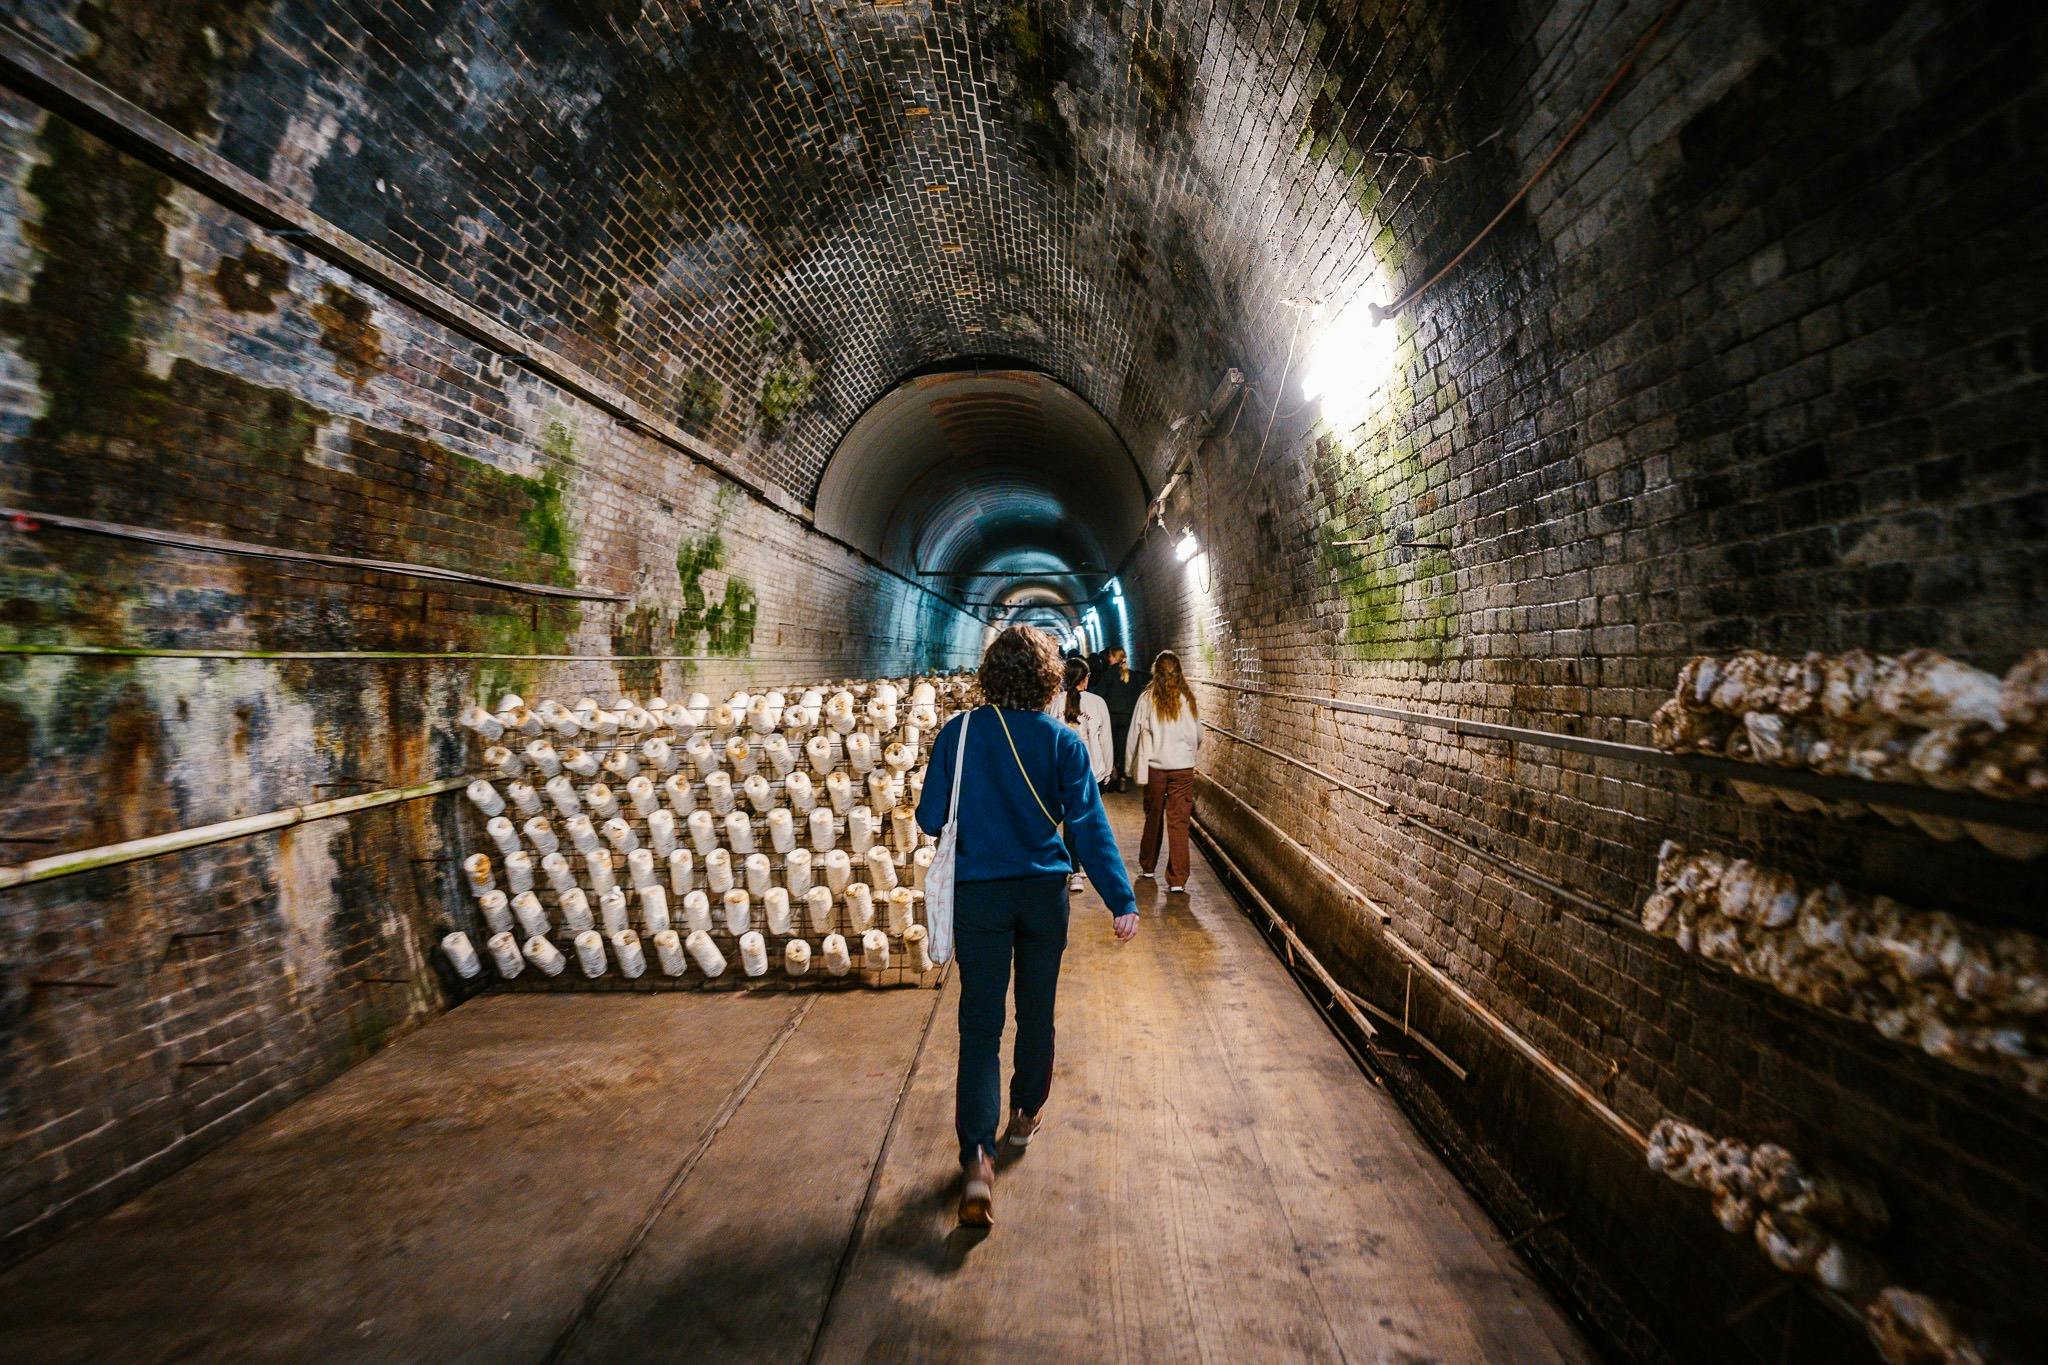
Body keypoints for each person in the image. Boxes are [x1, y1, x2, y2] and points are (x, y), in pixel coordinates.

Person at [917, 626, 1140, 1228]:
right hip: (1043, 898)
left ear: (989, 676)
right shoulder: (1064, 743)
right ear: (1049, 680)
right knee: (1036, 1010)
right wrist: (1121, 899)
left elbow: (930, 815)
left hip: (980, 899)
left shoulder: (959, 735)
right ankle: (1023, 1116)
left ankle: (978, 1161)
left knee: (980, 1026)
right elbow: (1089, 828)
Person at [1125, 649, 1200, 894]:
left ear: (1155, 673)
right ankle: (1177, 879)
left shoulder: (1147, 699)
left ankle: (1147, 866)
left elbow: (1134, 735)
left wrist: (1127, 766)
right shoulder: (1187, 699)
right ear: (1179, 673)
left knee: (1153, 816)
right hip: (1182, 769)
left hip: (1155, 768)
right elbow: (1197, 735)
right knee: (1179, 823)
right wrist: (1187, 753)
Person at [1048, 655, 1115, 893]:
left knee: (1070, 821)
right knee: (1089, 820)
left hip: (1061, 771)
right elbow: (1105, 739)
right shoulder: (1097, 703)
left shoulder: (1054, 703)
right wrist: (1108, 769)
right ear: (1085, 679)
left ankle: (1074, 869)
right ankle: (1084, 866)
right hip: (1091, 770)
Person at [1093, 646, 1147, 791]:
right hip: (1128, 716)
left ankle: (1113, 772)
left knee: (1112, 745)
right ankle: (1123, 777)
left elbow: (1099, 692)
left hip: (1112, 716)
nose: (1108, 659)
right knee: (1124, 745)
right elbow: (1137, 694)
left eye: (1110, 656)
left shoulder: (1109, 673)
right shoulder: (1133, 675)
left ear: (1115, 657)